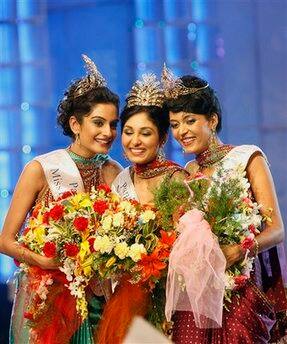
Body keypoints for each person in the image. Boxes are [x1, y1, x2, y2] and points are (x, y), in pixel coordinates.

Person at [0, 54, 122, 344]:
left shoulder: (113, 172)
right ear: (75, 124)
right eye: (98, 122)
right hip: (51, 298)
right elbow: (5, 240)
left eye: (113, 124)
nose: (108, 132)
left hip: (99, 298)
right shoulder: (41, 169)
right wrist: (41, 259)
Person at [161, 65, 287, 343]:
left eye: (190, 120)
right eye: (175, 125)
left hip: (240, 290)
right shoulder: (188, 173)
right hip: (195, 298)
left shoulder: (246, 158)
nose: (182, 131)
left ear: (213, 120)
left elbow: (277, 229)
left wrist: (237, 251)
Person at [97, 74, 187, 343]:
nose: (134, 141)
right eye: (128, 131)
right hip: (124, 300)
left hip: (169, 299)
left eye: (145, 133)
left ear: (161, 139)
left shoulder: (176, 179)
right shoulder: (121, 180)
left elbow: (185, 250)